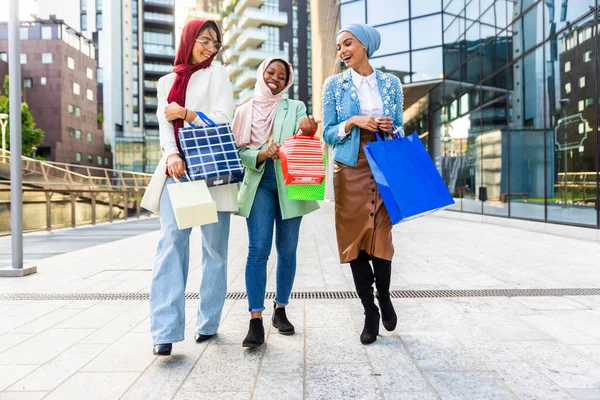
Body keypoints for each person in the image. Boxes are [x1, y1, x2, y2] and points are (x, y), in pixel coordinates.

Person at [143, 19, 236, 356]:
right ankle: (164, 330)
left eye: (215, 43)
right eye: (205, 40)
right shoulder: (167, 80)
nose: (210, 48)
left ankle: (208, 322)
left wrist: (187, 113)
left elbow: (225, 119)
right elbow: (164, 125)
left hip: (212, 173)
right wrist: (170, 155)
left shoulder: (218, 74)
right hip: (179, 173)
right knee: (171, 246)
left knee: (214, 251)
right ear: (189, 39)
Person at [321, 24, 404, 344]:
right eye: (339, 46)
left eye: (348, 43)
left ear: (365, 45)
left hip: (383, 160)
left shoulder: (391, 83)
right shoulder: (334, 85)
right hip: (349, 164)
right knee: (355, 238)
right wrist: (354, 121)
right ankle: (369, 311)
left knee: (382, 235)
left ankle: (383, 296)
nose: (342, 51)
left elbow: (399, 125)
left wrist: (389, 126)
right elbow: (327, 132)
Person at [232, 57, 320, 348]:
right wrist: (260, 153)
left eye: (282, 76)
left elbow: (299, 136)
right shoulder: (244, 110)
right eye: (271, 72)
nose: (276, 78)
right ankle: (255, 319)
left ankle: (280, 309)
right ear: (261, 73)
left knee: (288, 250)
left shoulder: (295, 107)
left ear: (287, 81)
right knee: (258, 249)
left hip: (291, 181)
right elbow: (238, 152)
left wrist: (306, 130)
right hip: (258, 181)